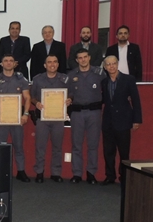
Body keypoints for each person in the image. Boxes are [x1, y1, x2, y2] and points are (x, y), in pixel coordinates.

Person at [0, 54, 31, 182]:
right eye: (5, 61)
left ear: (15, 63)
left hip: (17, 119)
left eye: (11, 61)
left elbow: (27, 97)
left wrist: (26, 114)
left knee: (18, 146)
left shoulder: (21, 80)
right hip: (1, 120)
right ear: (1, 63)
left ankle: (21, 171)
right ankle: (0, 172)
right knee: (0, 146)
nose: (8, 63)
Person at [66, 49, 106, 184]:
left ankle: (91, 173)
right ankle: (77, 174)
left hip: (94, 112)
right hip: (77, 113)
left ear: (89, 58)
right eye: (80, 58)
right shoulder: (71, 75)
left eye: (85, 57)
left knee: (93, 144)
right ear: (76, 60)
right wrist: (69, 99)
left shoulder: (99, 73)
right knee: (76, 145)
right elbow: (69, 93)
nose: (83, 60)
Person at [101, 55, 142, 185]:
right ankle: (110, 176)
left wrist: (137, 120)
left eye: (114, 63)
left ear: (117, 64)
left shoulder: (128, 79)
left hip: (124, 121)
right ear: (105, 67)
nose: (111, 66)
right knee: (108, 152)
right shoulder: (104, 82)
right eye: (108, 64)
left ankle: (124, 177)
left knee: (124, 152)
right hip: (108, 121)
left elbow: (136, 100)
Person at [30, 54, 71, 183]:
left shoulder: (65, 79)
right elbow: (32, 97)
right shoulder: (37, 79)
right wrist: (36, 103)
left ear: (58, 64)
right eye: (49, 62)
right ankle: (39, 172)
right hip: (42, 117)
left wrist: (70, 99)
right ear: (45, 65)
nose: (52, 64)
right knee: (40, 146)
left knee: (57, 147)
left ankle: (56, 173)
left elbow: (72, 95)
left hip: (58, 118)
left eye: (55, 62)